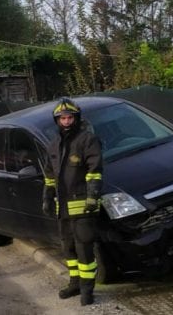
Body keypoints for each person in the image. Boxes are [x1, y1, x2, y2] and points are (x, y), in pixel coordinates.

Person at [42, 98, 103, 306]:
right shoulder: (53, 145)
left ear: (76, 118)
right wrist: (47, 198)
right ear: (57, 121)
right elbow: (49, 176)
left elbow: (95, 171)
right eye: (62, 118)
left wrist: (93, 196)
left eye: (69, 118)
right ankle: (74, 284)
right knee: (68, 249)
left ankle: (87, 291)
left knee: (84, 249)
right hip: (64, 209)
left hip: (84, 207)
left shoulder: (87, 140)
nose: (66, 121)